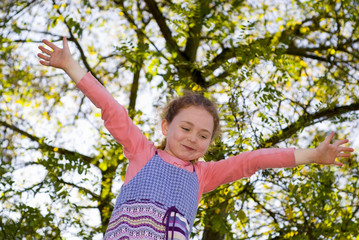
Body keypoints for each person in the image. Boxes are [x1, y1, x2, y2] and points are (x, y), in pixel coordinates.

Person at [38, 37, 353, 240]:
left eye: (203, 135)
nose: (192, 139)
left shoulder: (204, 175)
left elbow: (253, 160)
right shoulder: (142, 153)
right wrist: (70, 65)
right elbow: (112, 109)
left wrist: (313, 154)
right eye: (185, 128)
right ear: (166, 127)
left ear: (209, 144)